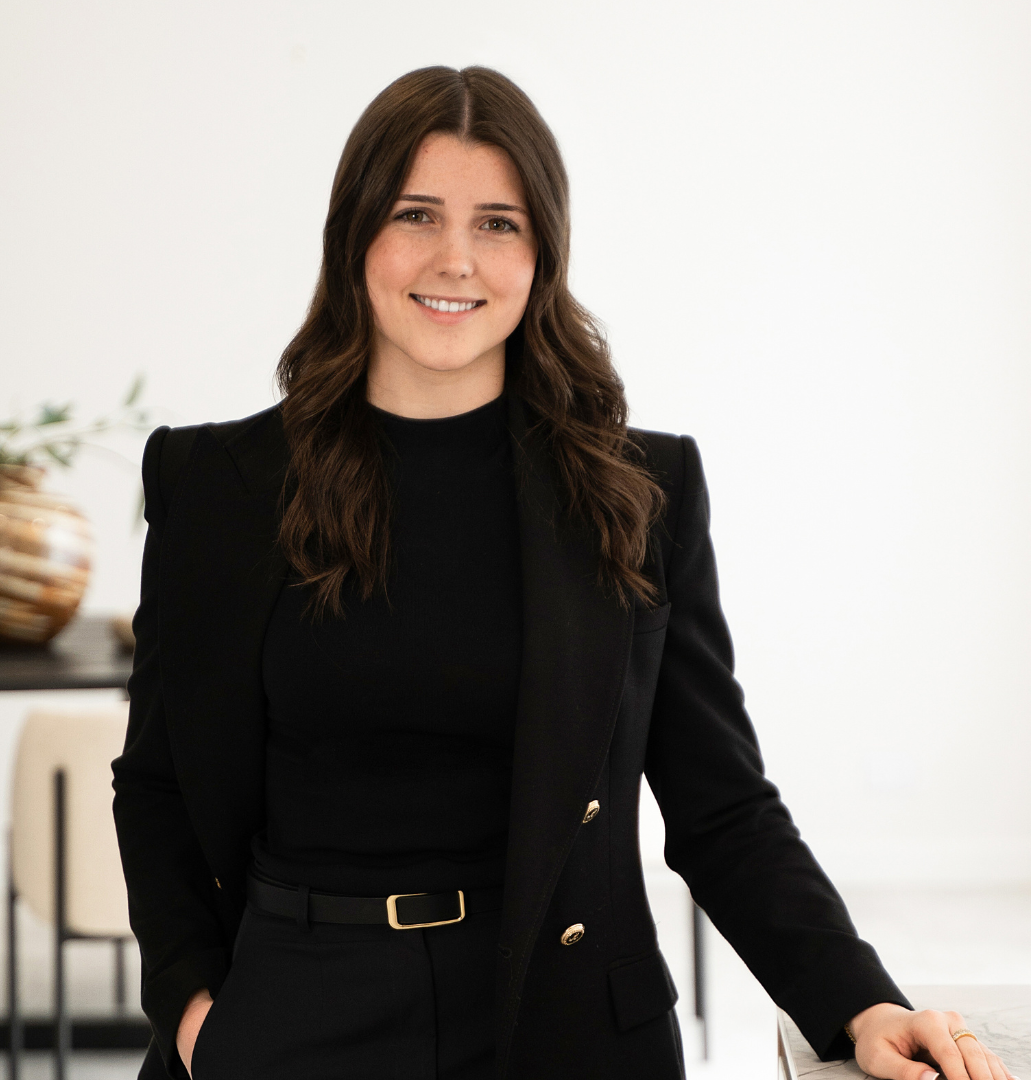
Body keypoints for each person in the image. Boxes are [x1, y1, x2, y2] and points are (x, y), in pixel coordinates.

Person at [111, 65, 1013, 1080]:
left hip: (568, 1020)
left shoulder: (638, 491)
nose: (456, 258)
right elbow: (157, 785)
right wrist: (196, 1015)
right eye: (415, 214)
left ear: (543, 252)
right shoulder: (217, 484)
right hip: (295, 1014)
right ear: (354, 232)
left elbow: (721, 806)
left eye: (498, 223)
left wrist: (859, 1002)